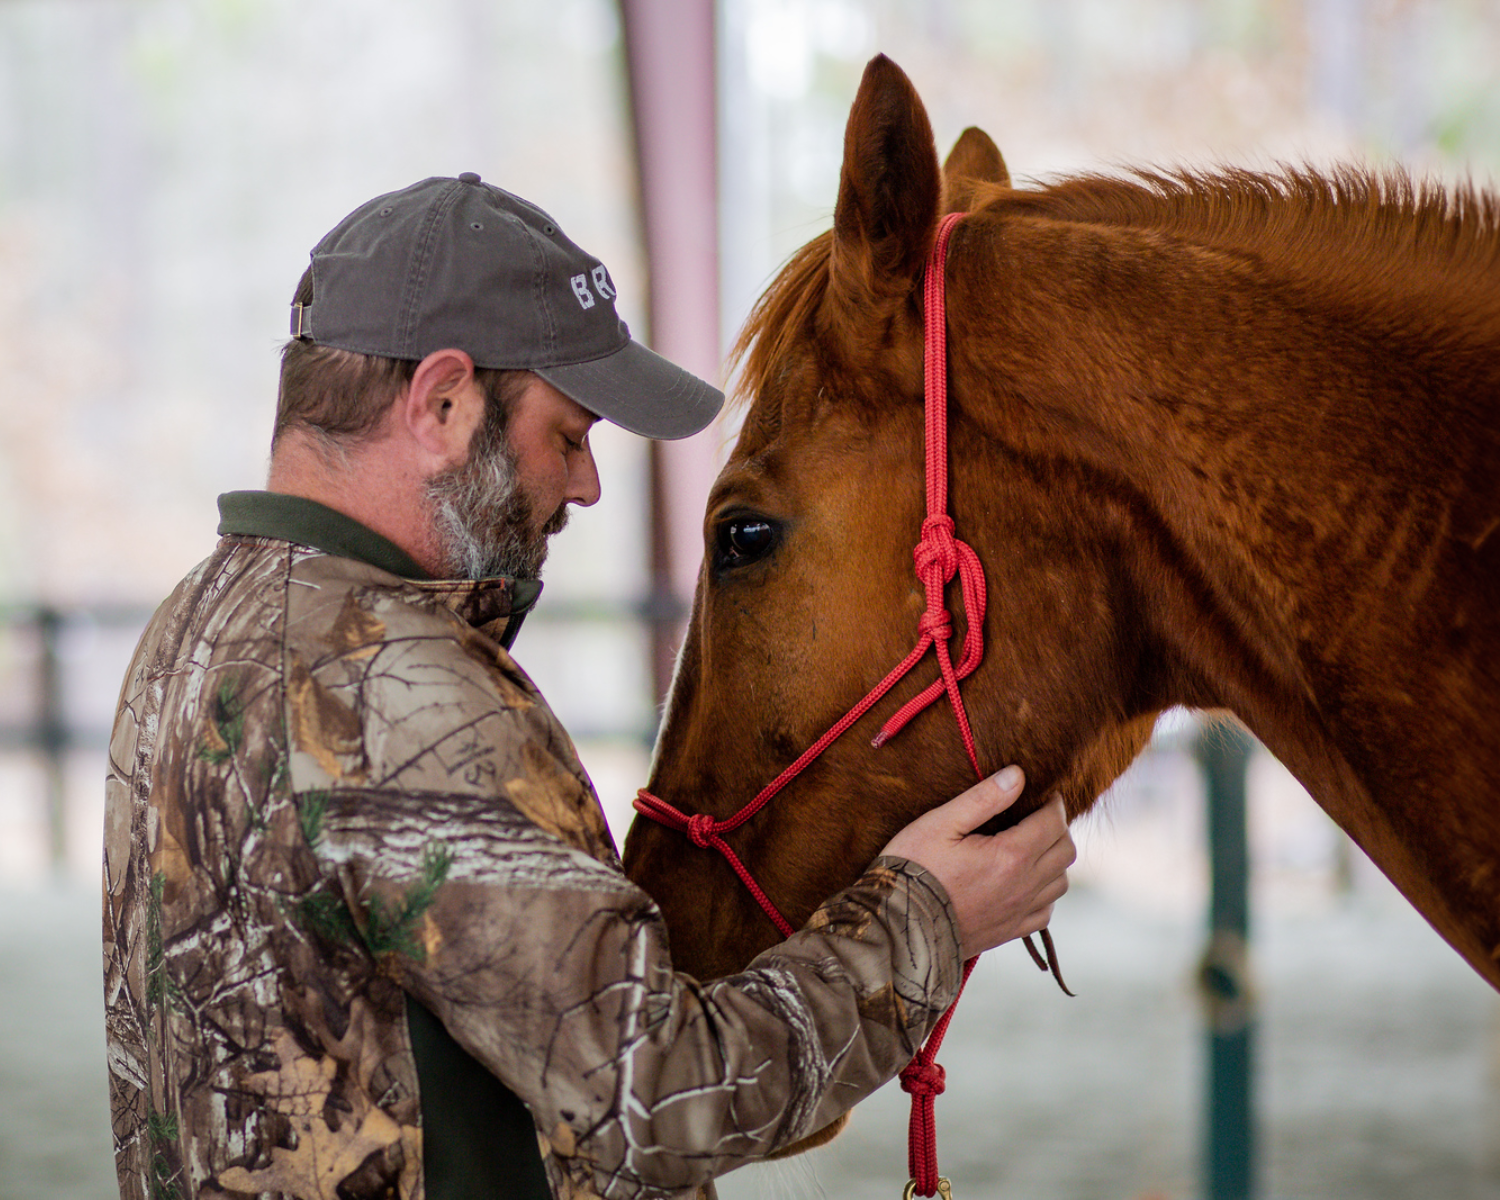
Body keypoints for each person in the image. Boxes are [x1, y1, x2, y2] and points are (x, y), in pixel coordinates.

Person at [102, 173, 1075, 1200]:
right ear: (441, 403)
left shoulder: (194, 629)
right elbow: (652, 1099)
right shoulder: (398, 695)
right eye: (566, 436)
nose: (585, 485)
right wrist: (926, 921)